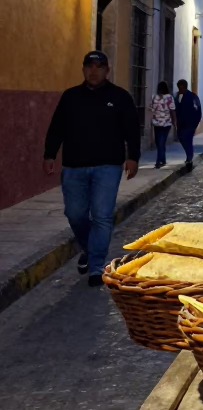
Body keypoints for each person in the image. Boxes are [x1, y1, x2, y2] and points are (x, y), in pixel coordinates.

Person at [43, 51, 140, 286]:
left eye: (99, 66)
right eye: (89, 66)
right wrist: (49, 154)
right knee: (74, 214)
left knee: (102, 216)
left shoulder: (120, 97)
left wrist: (133, 157)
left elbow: (132, 128)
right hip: (74, 166)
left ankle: (96, 266)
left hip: (108, 166)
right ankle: (88, 248)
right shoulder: (70, 97)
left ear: (107, 70)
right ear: (83, 69)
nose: (94, 71)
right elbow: (57, 127)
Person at [175, 79, 203, 172]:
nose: (180, 89)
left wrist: (195, 124)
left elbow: (198, 110)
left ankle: (189, 158)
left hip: (190, 124)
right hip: (180, 124)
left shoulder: (192, 96)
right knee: (181, 138)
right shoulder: (177, 96)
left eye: (181, 87)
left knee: (188, 140)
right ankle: (189, 156)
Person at [149, 81, 177, 168]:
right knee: (162, 141)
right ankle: (162, 159)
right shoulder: (169, 97)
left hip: (157, 123)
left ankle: (159, 161)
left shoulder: (154, 97)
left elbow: (151, 109)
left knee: (159, 142)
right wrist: (174, 121)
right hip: (166, 123)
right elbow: (172, 110)